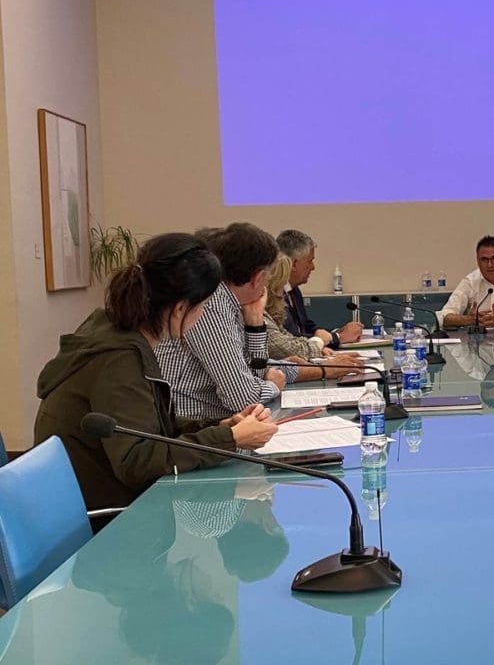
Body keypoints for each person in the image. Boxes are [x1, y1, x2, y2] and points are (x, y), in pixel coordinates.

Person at [34, 233, 278, 519]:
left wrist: (221, 427)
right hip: (105, 521)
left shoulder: (114, 331)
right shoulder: (119, 358)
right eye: (201, 308)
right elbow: (136, 462)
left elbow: (147, 428)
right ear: (179, 308)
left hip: (99, 499)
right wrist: (229, 439)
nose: (202, 316)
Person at [155, 222, 295, 420]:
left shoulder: (231, 302)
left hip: (215, 423)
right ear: (257, 278)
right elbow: (242, 399)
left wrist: (255, 323)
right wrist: (273, 386)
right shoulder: (211, 303)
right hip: (192, 427)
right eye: (268, 277)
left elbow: (253, 373)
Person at [264, 253, 364, 380]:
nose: (282, 296)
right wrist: (324, 348)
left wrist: (318, 351)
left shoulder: (269, 312)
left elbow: (291, 340)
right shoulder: (259, 319)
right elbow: (289, 348)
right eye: (281, 287)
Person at [276, 229, 363, 348]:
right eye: (310, 261)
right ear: (294, 264)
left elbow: (306, 327)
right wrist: (338, 338)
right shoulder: (273, 294)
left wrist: (337, 332)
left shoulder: (294, 291)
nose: (313, 267)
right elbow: (291, 339)